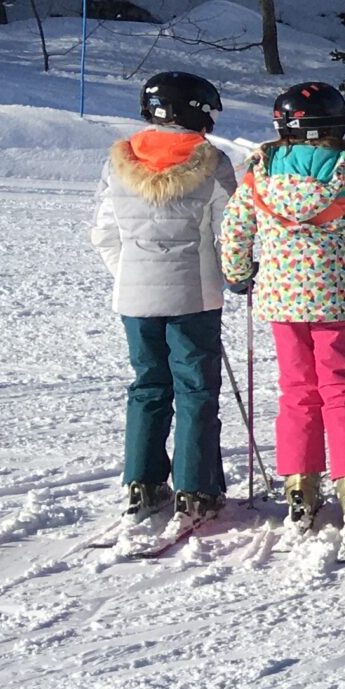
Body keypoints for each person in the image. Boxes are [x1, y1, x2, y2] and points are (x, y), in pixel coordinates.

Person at [218, 81, 345, 543]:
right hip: (334, 298)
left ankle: (299, 483)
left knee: (297, 391)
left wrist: (237, 272)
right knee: (342, 388)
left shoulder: (261, 172)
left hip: (282, 301)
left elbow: (235, 226)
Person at [91, 71, 237, 534]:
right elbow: (228, 232)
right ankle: (197, 487)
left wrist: (132, 274)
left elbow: (104, 232)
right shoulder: (211, 162)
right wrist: (234, 277)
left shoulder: (119, 161)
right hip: (193, 293)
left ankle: (142, 482)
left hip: (134, 295)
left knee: (148, 386)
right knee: (195, 389)